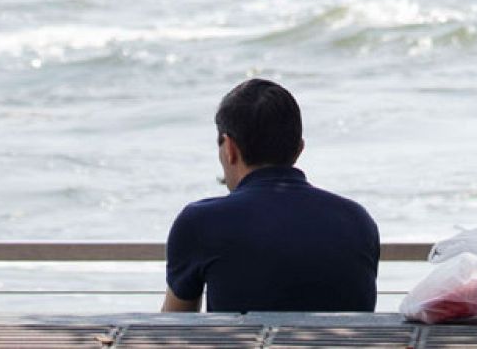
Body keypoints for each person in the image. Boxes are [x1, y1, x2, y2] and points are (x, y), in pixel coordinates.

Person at [163, 79, 380, 313]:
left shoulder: (199, 223)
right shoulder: (357, 221)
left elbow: (174, 326)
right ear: (298, 149)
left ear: (229, 149)